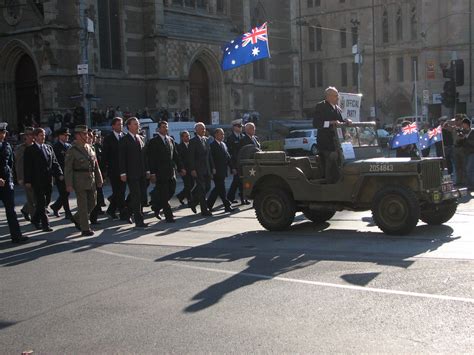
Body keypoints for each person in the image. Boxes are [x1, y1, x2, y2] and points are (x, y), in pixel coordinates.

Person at [64, 125, 103, 236]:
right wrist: (69, 184)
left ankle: (76, 218)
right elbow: (68, 168)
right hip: (79, 179)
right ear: (77, 135)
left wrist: (99, 179)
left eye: (87, 133)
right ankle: (85, 228)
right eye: (84, 134)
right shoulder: (72, 150)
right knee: (83, 205)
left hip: (91, 179)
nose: (87, 136)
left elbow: (96, 166)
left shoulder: (90, 148)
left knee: (93, 203)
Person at [24, 127, 63, 232]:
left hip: (48, 179)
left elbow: (54, 162)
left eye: (44, 135)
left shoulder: (48, 148)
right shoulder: (30, 150)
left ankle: (35, 219)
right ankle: (46, 225)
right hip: (37, 180)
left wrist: (59, 173)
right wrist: (27, 181)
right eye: (41, 135)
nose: (43, 137)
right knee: (41, 202)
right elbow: (27, 167)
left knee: (47, 201)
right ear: (35, 137)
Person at [147, 121, 185, 223]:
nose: (165, 129)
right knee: (164, 194)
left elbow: (176, 156)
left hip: (170, 172)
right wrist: (152, 173)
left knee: (171, 191)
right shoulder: (154, 141)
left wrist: (181, 168)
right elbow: (151, 159)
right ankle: (169, 216)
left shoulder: (170, 140)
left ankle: (156, 206)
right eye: (163, 127)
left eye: (166, 127)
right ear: (158, 129)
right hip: (160, 173)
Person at [312, 86, 352, 183]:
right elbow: (316, 123)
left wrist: (346, 121)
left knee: (344, 159)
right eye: (335, 96)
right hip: (326, 144)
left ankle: (342, 180)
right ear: (328, 96)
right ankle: (329, 184)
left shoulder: (337, 108)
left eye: (337, 95)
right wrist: (330, 123)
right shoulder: (321, 106)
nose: (338, 98)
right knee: (332, 158)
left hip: (338, 143)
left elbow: (339, 122)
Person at [119, 117, 149, 228]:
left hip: (141, 172)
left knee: (141, 196)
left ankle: (127, 213)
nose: (138, 126)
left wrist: (147, 170)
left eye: (138, 124)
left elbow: (144, 157)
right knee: (136, 196)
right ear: (129, 126)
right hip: (131, 173)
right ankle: (139, 221)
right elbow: (121, 158)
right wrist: (123, 173)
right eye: (135, 124)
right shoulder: (124, 140)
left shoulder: (140, 138)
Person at [0, 123, 28, 243]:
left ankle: (16, 235)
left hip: (6, 182)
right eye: (1, 132)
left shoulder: (7, 145)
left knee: (11, 210)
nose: (2, 135)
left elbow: (10, 163)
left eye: (4, 133)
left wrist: (11, 178)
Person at [102, 117, 128, 221]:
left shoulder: (125, 137)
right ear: (113, 126)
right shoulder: (108, 138)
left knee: (120, 192)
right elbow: (105, 155)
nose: (120, 126)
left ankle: (111, 210)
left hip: (124, 170)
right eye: (118, 124)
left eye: (121, 124)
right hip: (114, 170)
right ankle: (123, 213)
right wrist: (103, 171)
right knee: (119, 192)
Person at [188, 122, 214, 216]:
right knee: (202, 189)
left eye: (204, 128)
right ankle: (204, 210)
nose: (204, 130)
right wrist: (193, 169)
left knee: (207, 187)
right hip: (198, 169)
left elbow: (209, 156)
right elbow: (190, 157)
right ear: (196, 130)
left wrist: (212, 167)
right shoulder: (193, 141)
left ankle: (193, 201)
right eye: (201, 129)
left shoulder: (206, 140)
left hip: (206, 168)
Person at [208, 128, 234, 213]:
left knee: (218, 189)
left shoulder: (223, 144)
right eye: (221, 134)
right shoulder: (212, 145)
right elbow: (211, 159)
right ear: (216, 135)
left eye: (223, 134)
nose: (223, 136)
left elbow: (228, 157)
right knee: (221, 189)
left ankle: (208, 204)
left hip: (223, 170)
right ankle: (227, 206)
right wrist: (213, 169)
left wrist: (232, 167)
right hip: (216, 171)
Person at [14, 127, 36, 221]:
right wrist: (20, 178)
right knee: (31, 198)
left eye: (33, 135)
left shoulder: (37, 146)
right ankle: (34, 218)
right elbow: (19, 164)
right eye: (30, 135)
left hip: (37, 175)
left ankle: (25, 210)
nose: (32, 137)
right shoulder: (21, 148)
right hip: (27, 176)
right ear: (26, 136)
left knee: (38, 197)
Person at [50, 127, 72, 219]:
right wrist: (58, 174)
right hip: (60, 174)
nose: (67, 137)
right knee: (64, 192)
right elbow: (54, 162)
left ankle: (56, 206)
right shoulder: (55, 147)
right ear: (60, 136)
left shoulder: (69, 146)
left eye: (67, 135)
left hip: (69, 173)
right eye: (65, 135)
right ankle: (67, 212)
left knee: (67, 193)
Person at [225, 119, 248, 205]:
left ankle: (230, 197)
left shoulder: (243, 136)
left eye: (241, 126)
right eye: (238, 126)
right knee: (239, 181)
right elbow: (230, 154)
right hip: (235, 163)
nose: (240, 128)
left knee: (236, 181)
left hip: (242, 163)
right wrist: (232, 167)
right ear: (234, 127)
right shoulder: (230, 138)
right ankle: (242, 198)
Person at [89, 129, 105, 224]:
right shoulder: (80, 148)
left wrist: (101, 175)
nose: (93, 138)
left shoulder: (95, 147)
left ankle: (94, 218)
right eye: (91, 136)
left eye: (94, 136)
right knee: (90, 199)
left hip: (96, 175)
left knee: (96, 196)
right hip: (86, 177)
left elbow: (98, 163)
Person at [456, 117, 474, 190]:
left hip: (472, 152)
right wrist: (460, 139)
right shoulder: (462, 132)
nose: (462, 126)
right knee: (465, 169)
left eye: (463, 124)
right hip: (464, 152)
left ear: (467, 124)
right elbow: (459, 143)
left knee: (469, 169)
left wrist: (466, 138)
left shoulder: (472, 132)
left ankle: (472, 185)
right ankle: (468, 184)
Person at [176, 130, 193, 206]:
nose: (188, 137)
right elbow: (179, 159)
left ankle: (180, 196)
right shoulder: (179, 147)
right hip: (184, 169)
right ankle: (190, 200)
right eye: (186, 136)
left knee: (192, 184)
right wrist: (181, 168)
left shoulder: (192, 145)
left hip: (191, 168)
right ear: (182, 138)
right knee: (188, 185)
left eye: (188, 136)